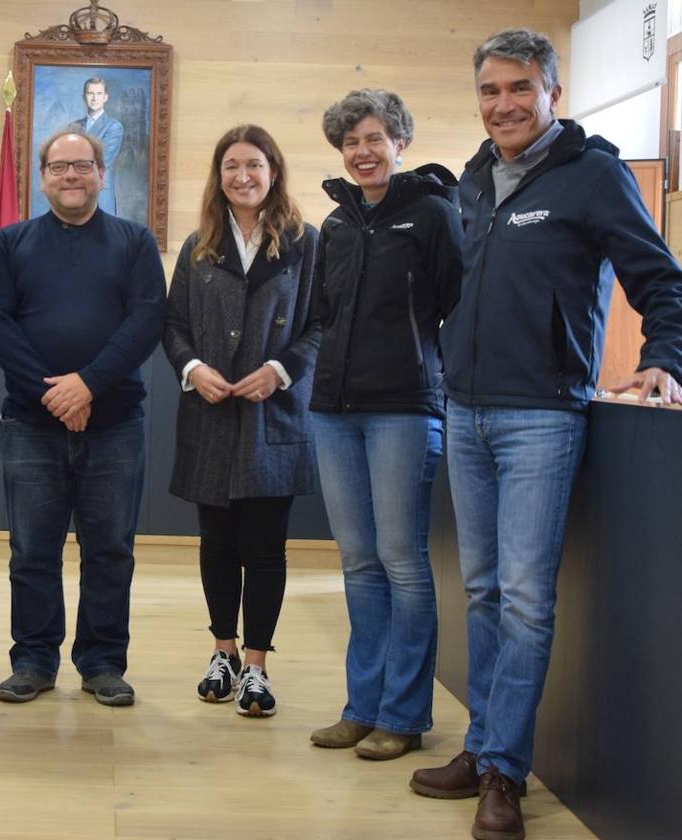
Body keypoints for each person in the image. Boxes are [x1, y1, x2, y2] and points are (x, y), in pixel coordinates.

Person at [410, 29, 682, 840]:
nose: (504, 105)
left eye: (519, 89)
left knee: (526, 600)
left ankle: (503, 772)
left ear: (552, 92)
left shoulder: (593, 175)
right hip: (465, 409)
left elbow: (660, 279)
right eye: (490, 91)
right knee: (485, 592)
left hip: (542, 416)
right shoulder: (474, 179)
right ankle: (484, 744)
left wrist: (665, 359)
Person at [0, 130, 165, 707]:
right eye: (58, 167)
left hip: (115, 423)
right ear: (42, 177)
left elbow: (146, 322)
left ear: (102, 174)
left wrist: (87, 384)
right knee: (32, 548)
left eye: (82, 166)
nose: (70, 176)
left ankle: (103, 662)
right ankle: (34, 660)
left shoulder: (135, 243)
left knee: (110, 549)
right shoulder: (12, 243)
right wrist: (53, 393)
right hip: (30, 423)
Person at [305, 90, 463, 757]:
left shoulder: (432, 214)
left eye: (374, 138)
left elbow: (460, 306)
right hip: (334, 414)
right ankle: (360, 707)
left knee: (401, 561)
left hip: (404, 411)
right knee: (359, 562)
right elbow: (321, 313)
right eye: (351, 143)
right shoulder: (337, 225)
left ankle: (402, 716)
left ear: (399, 140)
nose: (362, 152)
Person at [162, 124, 319, 718]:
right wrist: (193, 367)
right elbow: (172, 325)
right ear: (218, 175)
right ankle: (222, 651)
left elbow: (321, 325)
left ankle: (256, 665)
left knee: (266, 546)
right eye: (231, 166)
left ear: (273, 172)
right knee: (217, 542)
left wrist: (280, 370)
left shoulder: (307, 244)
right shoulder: (199, 244)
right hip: (209, 413)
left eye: (254, 164)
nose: (243, 176)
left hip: (273, 417)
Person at [68, 77, 124, 215]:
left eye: (99, 94)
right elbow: (65, 159)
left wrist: (74, 159)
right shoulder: (73, 126)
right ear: (84, 97)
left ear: (105, 97)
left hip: (100, 193)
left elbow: (101, 160)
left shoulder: (114, 126)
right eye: (90, 93)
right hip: (75, 191)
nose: (94, 98)